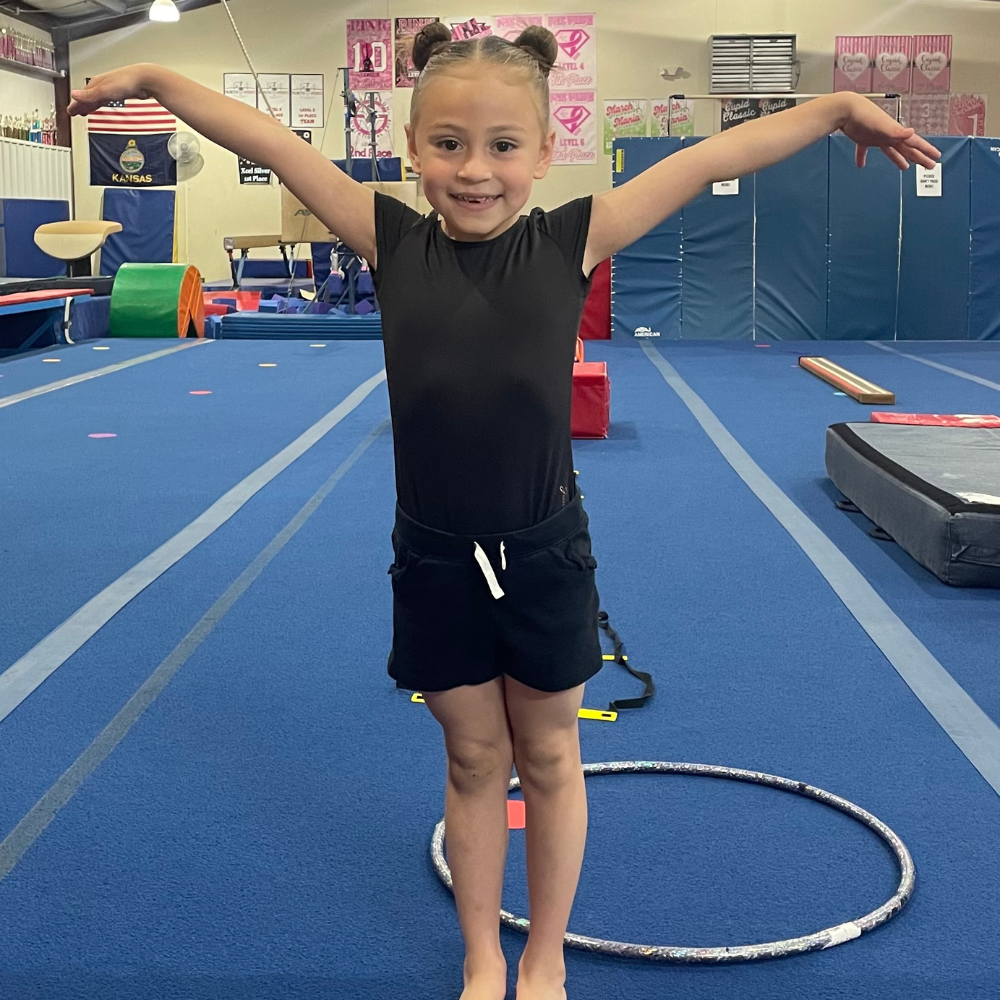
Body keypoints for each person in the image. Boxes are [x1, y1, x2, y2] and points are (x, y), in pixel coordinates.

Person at [68, 22, 939, 1000]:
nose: (473, 169)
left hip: (542, 554)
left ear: (544, 151)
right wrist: (150, 72)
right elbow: (271, 142)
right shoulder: (388, 238)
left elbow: (711, 158)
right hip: (434, 560)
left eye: (500, 145)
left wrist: (829, 108)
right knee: (474, 754)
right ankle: (485, 950)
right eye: (447, 144)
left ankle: (543, 952)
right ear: (410, 147)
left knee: (551, 753)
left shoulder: (571, 240)